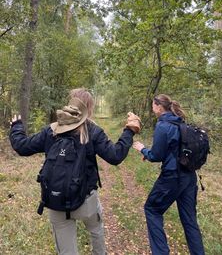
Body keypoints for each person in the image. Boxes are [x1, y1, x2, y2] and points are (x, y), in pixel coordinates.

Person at [9, 88, 141, 255]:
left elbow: (22, 146)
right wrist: (129, 131)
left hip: (56, 201)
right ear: (90, 109)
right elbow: (115, 156)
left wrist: (16, 126)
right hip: (87, 201)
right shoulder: (93, 131)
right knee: (96, 229)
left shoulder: (51, 130)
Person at [133, 94, 205, 255]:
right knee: (190, 220)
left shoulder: (163, 125)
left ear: (159, 106)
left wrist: (142, 149)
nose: (152, 109)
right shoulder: (180, 122)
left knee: (152, 209)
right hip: (189, 177)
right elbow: (173, 150)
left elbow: (156, 156)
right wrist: (151, 153)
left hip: (172, 178)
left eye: (153, 105)